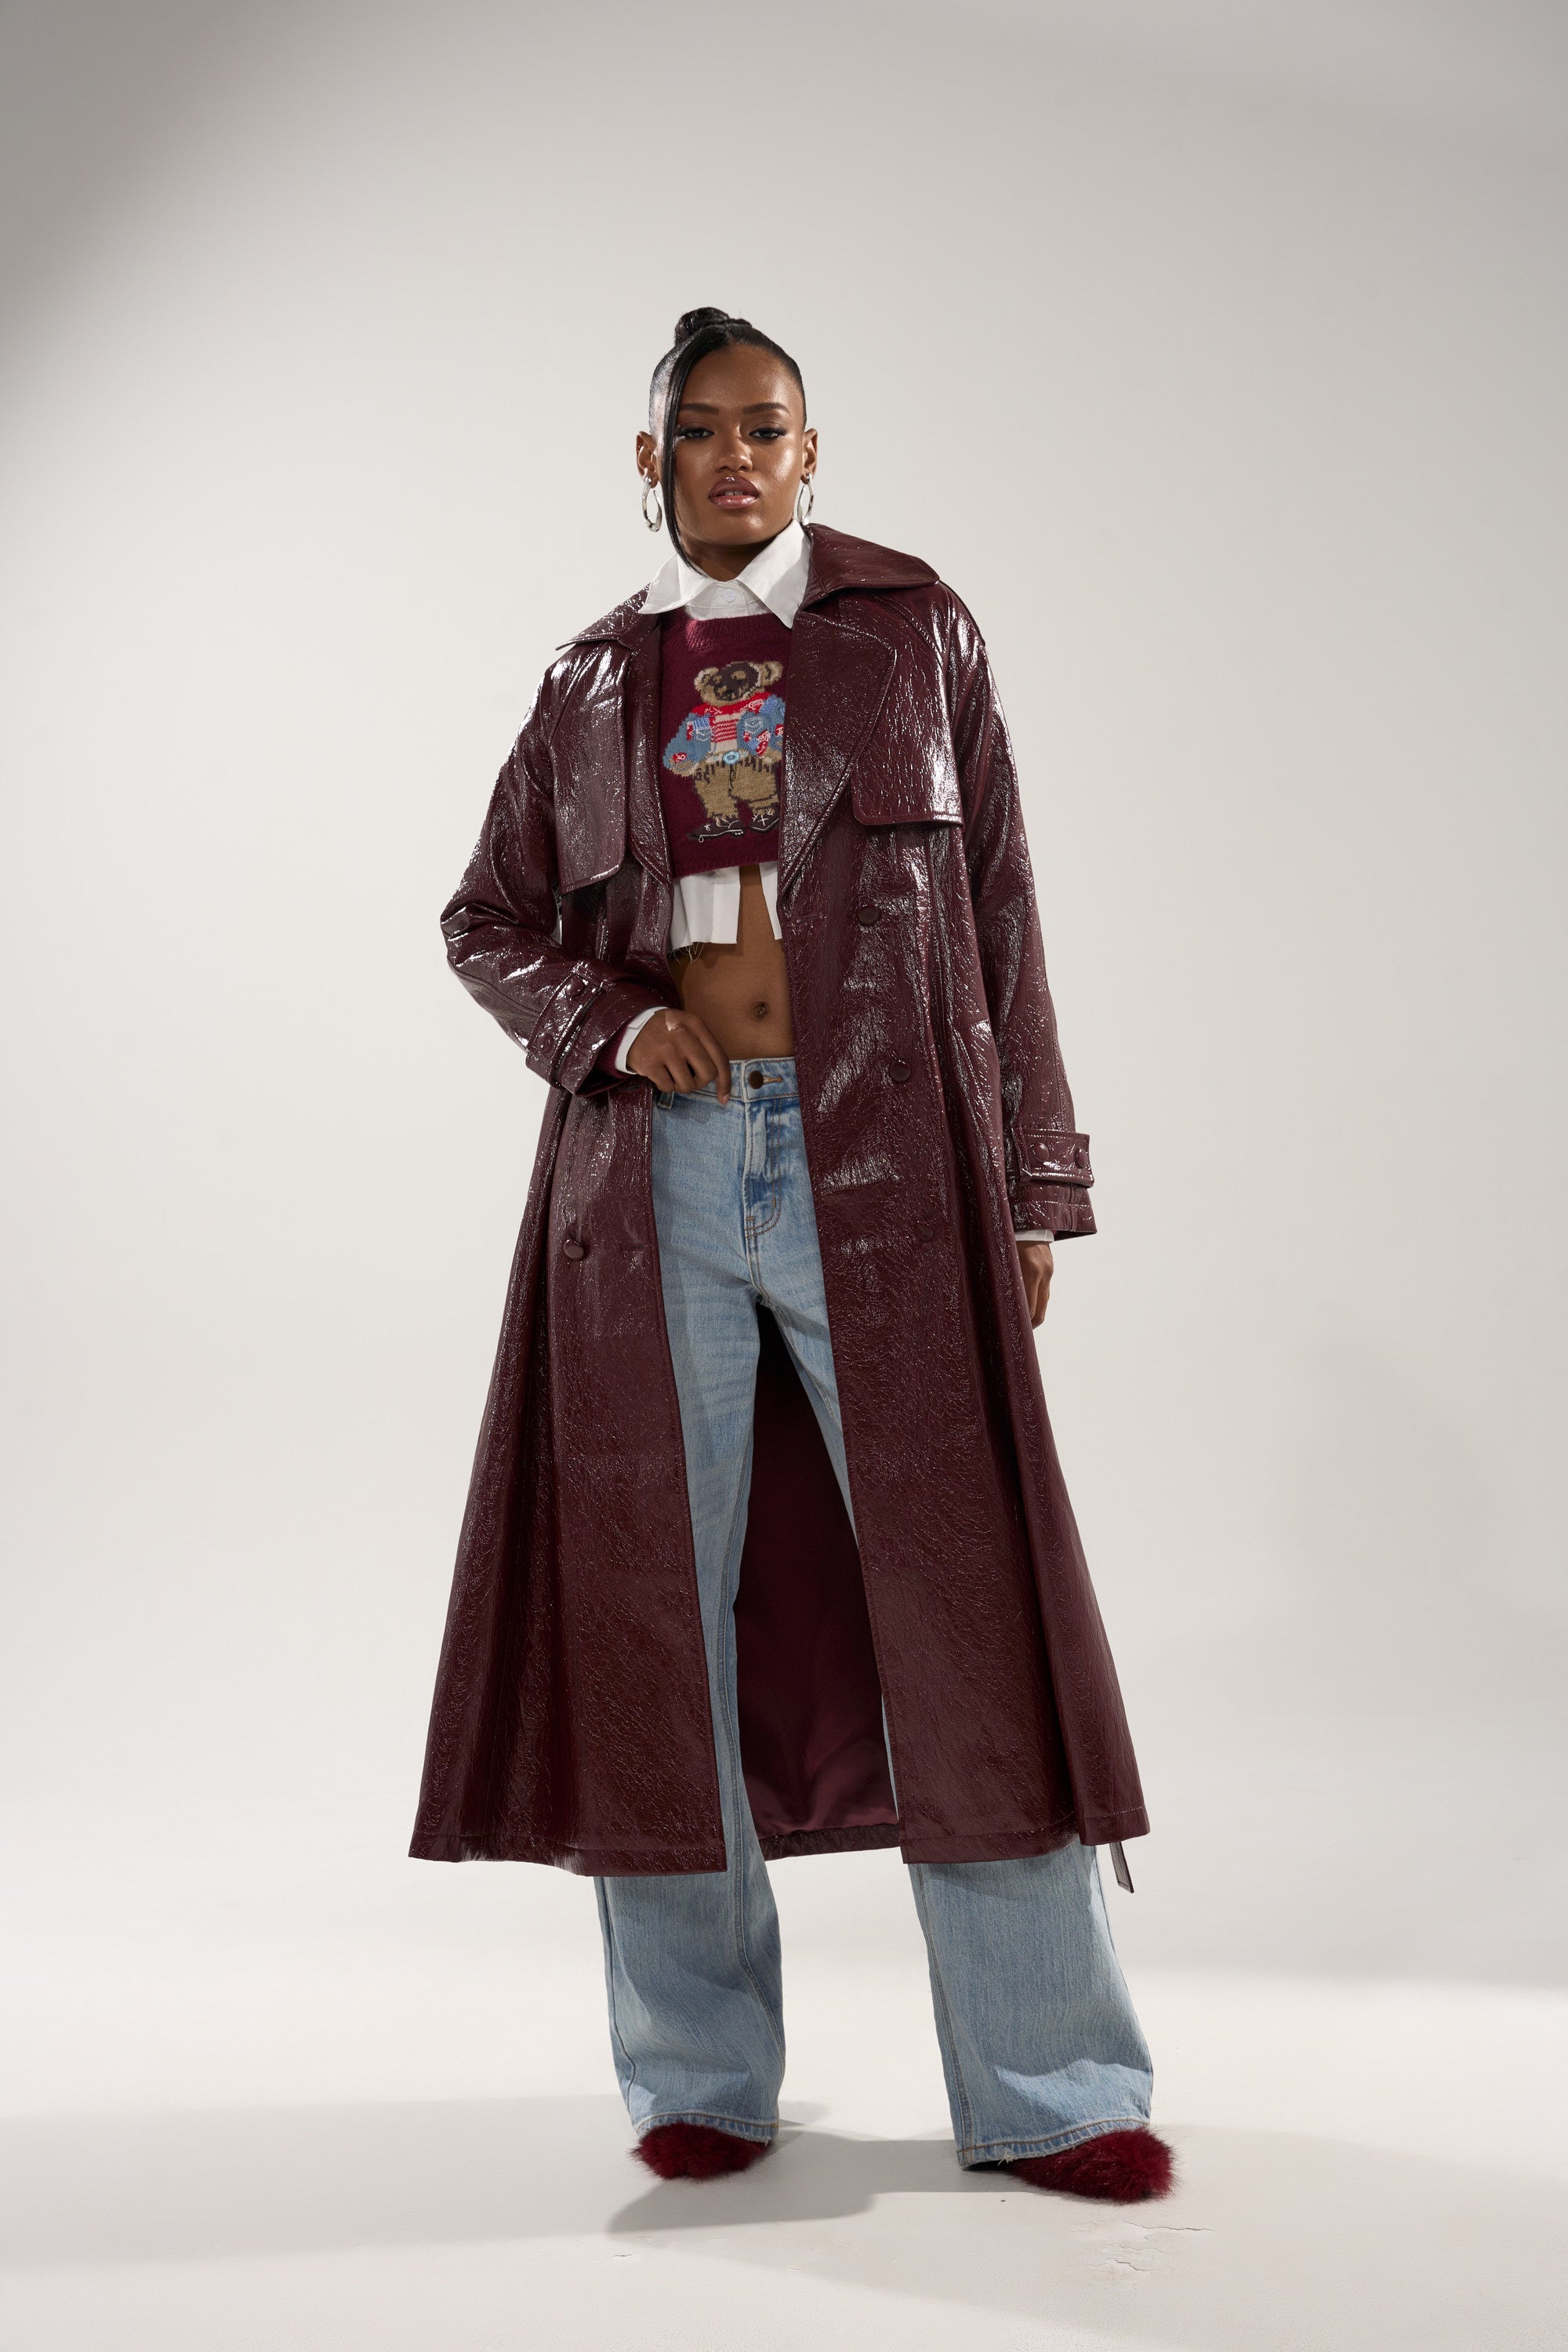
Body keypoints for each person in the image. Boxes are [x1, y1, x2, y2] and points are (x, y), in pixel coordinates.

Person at [411, 307, 1173, 2205]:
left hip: (892, 1179)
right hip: (650, 1179)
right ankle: (696, 2075)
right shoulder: (592, 681)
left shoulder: (916, 635)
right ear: (651, 463)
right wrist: (607, 1026)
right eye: (701, 433)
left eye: (769, 430)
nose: (736, 459)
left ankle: (1057, 2086)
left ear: (812, 455)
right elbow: (487, 918)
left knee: (970, 1606)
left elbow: (1000, 909)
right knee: (654, 1611)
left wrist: (1034, 1186)